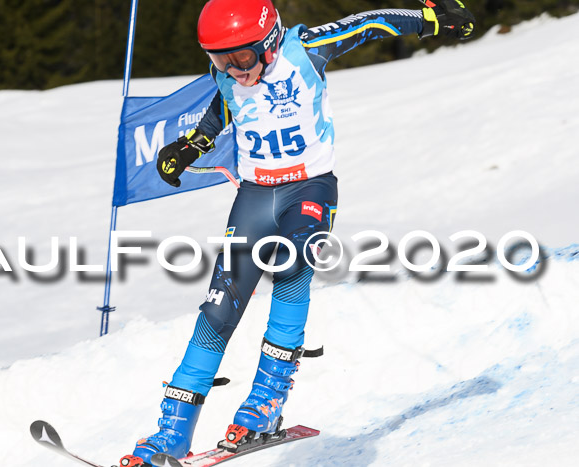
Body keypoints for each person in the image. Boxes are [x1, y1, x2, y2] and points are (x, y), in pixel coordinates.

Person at [120, 0, 474, 465]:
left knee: (290, 267)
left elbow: (370, 24)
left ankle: (265, 404)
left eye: (242, 59)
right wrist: (188, 148)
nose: (234, 70)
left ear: (268, 42)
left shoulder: (305, 50)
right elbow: (220, 111)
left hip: (309, 188)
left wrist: (432, 19)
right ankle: (172, 432)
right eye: (220, 60)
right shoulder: (230, 74)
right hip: (254, 196)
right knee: (219, 307)